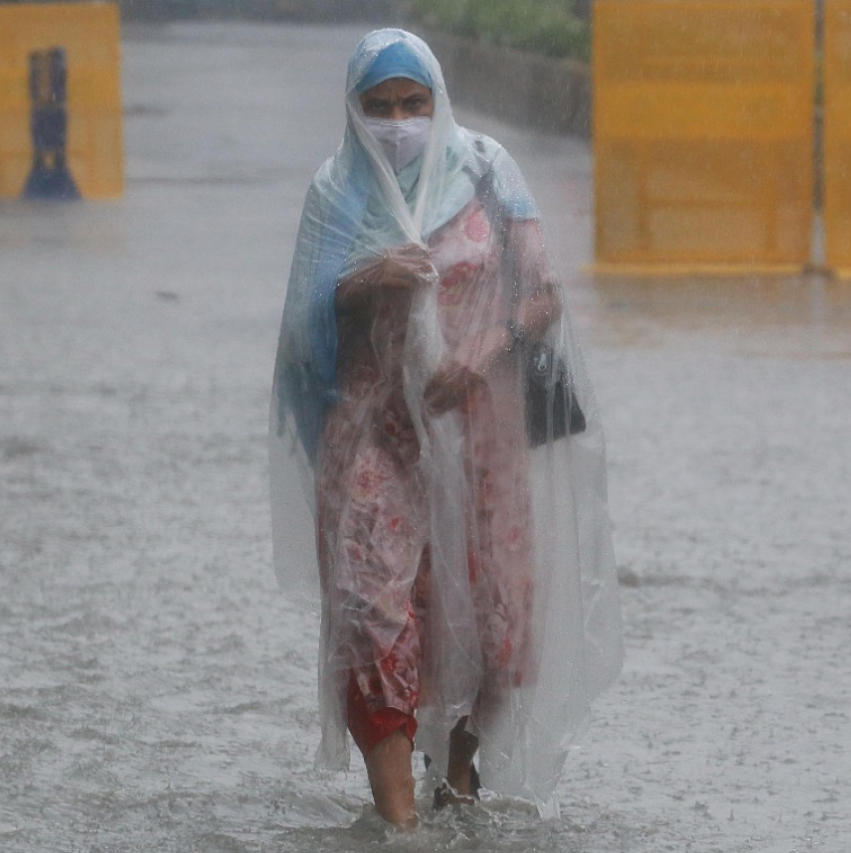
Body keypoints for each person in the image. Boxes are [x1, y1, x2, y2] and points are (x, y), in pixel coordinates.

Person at [269, 29, 621, 829]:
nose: (397, 122)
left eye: (413, 103)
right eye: (380, 106)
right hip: (372, 438)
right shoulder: (335, 193)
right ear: (355, 111)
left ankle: (458, 771)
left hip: (479, 434)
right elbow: (300, 331)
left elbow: (542, 291)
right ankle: (401, 824)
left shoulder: (487, 170)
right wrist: (367, 276)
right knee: (373, 618)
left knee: (494, 625)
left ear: (437, 102)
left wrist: (485, 345)